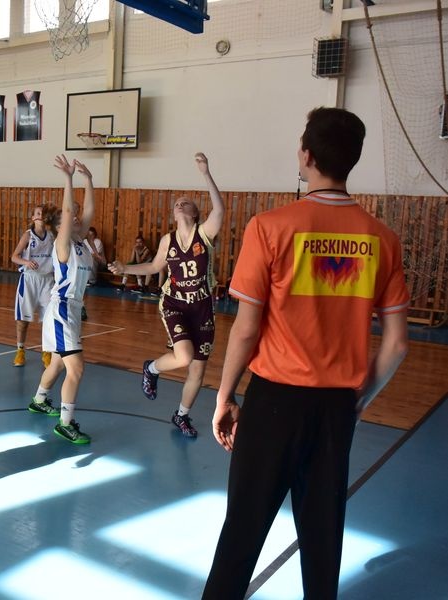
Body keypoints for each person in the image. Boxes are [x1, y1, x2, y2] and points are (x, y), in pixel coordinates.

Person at [203, 107, 409, 599]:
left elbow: (246, 330)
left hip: (273, 403)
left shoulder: (270, 227)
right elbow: (398, 343)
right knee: (322, 539)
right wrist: (358, 399)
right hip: (336, 410)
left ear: (307, 155)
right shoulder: (382, 239)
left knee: (242, 533)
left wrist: (224, 396)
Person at [109, 152, 224, 437]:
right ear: (174, 215)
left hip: (202, 308)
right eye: (176, 203)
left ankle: (181, 416)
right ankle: (151, 368)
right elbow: (153, 266)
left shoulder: (204, 234)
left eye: (186, 202)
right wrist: (125, 268)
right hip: (175, 304)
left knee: (197, 371)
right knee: (183, 357)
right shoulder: (167, 240)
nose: (180, 204)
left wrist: (206, 173)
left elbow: (219, 211)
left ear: (195, 213)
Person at [27, 155, 95, 444]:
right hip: (62, 309)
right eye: (72, 217)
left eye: (78, 216)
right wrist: (68, 178)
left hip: (72, 310)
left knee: (56, 364)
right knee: (76, 368)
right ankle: (66, 424)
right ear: (61, 226)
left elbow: (87, 210)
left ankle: (40, 400)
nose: (77, 217)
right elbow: (68, 212)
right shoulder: (63, 243)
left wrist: (88, 180)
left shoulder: (80, 240)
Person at [10, 204, 57, 368]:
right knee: (23, 320)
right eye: (38, 213)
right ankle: (20, 350)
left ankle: (47, 352)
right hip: (29, 280)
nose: (41, 215)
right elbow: (14, 257)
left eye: (43, 213)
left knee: (48, 320)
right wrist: (26, 262)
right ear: (33, 218)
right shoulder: (28, 235)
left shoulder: (51, 236)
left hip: (47, 280)